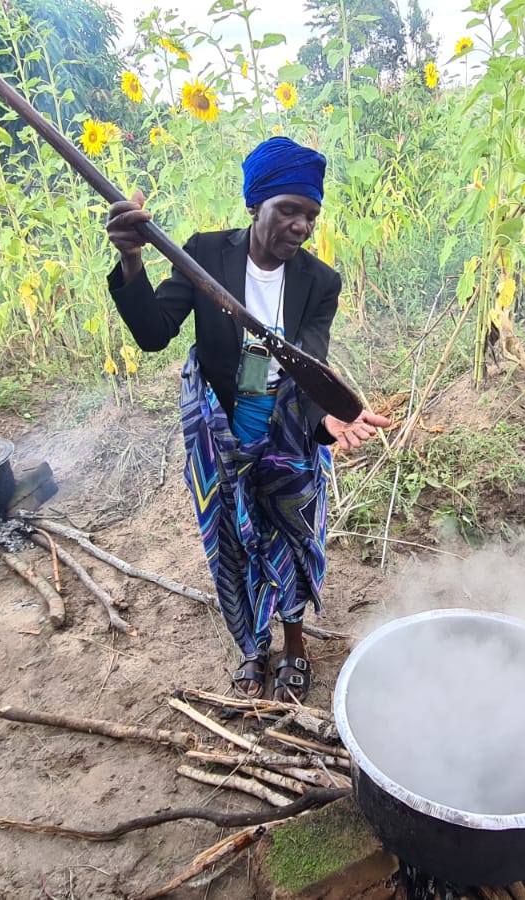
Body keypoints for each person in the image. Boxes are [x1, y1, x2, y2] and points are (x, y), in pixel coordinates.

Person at [105, 136, 390, 702]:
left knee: (290, 531)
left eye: (311, 215)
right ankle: (254, 648)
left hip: (285, 423)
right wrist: (132, 258)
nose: (301, 226)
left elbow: (310, 361)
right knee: (234, 536)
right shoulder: (204, 255)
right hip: (220, 424)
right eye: (288, 210)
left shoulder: (319, 282)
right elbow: (154, 334)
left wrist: (324, 418)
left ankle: (295, 644)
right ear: (255, 204)